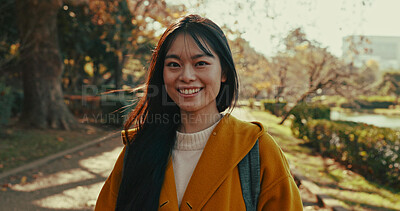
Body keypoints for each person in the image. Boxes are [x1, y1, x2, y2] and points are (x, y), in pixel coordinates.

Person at [95, 14, 302, 211]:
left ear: (224, 72)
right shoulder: (137, 150)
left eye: (200, 63)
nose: (186, 76)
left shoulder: (257, 150)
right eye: (174, 65)